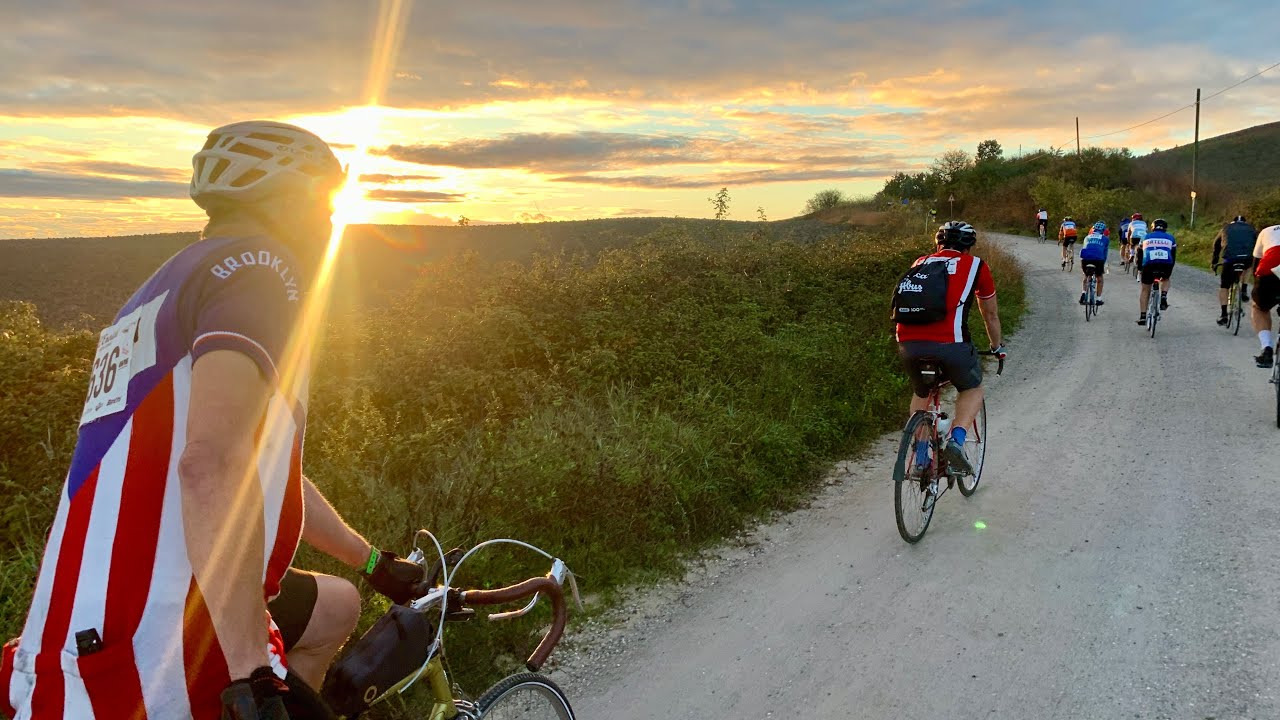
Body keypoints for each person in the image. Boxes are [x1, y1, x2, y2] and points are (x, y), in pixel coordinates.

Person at [0, 121, 425, 720]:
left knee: (335, 606)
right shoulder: (260, 267)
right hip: (161, 640)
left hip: (75, 635)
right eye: (325, 203)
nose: (331, 222)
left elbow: (252, 471)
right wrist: (255, 672)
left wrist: (373, 561)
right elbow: (210, 466)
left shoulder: (157, 291)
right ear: (288, 200)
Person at [895, 221, 1006, 478]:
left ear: (938, 244)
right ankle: (956, 442)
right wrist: (996, 347)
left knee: (922, 390)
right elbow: (990, 315)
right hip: (951, 344)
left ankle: (921, 457)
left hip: (907, 343)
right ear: (968, 247)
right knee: (972, 388)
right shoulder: (977, 266)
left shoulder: (919, 263)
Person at [1212, 215, 1258, 326]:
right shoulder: (1252, 229)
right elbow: (1257, 246)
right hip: (1247, 258)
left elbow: (1216, 245)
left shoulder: (1226, 228)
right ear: (1245, 222)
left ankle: (1223, 314)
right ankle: (1244, 289)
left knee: (1224, 286)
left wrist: (1214, 262)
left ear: (1233, 222)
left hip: (1230, 259)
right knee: (1248, 266)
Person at [1249, 224, 1280, 368]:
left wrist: (1258, 287)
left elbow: (1256, 264)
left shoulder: (1267, 231)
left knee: (1259, 307)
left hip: (1270, 267)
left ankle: (1267, 349)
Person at [1136, 218, 1176, 326]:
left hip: (1149, 264)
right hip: (1165, 264)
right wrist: (1169, 271)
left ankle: (1143, 316)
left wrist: (1140, 268)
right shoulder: (1171, 238)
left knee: (1145, 290)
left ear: (1152, 227)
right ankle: (1163, 295)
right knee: (1166, 279)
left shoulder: (1145, 237)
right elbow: (1173, 256)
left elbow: (1139, 254)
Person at [1079, 221, 1110, 306]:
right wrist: (1103, 264)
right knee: (1099, 278)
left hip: (1085, 259)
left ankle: (1083, 293)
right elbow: (1105, 253)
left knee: (1086, 275)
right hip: (1098, 259)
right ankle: (1098, 299)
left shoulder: (1087, 237)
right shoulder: (1105, 239)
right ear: (1103, 231)